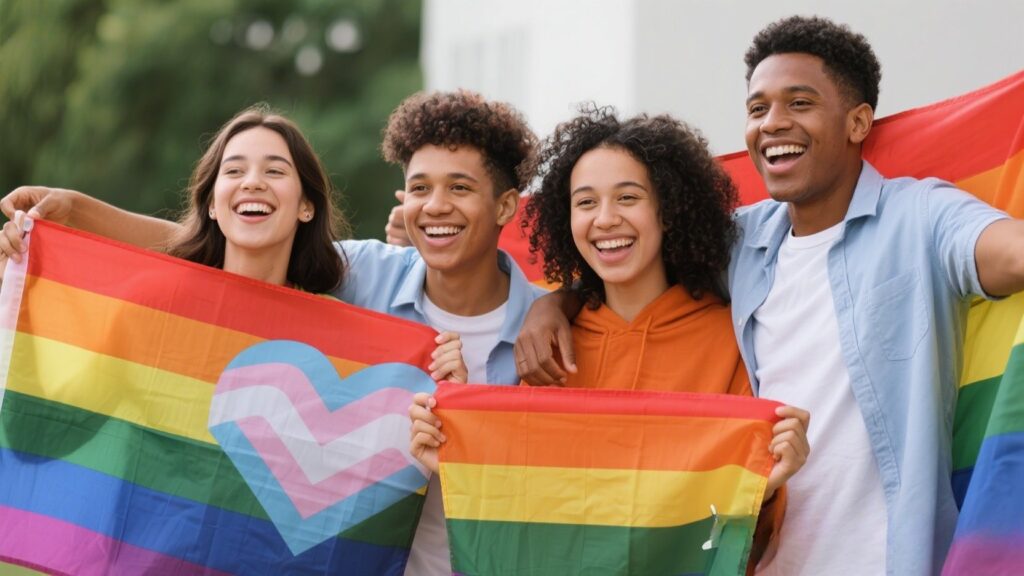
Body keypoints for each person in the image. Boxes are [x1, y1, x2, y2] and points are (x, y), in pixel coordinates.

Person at [512, 16, 1024, 576]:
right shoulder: (738, 241)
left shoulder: (921, 215)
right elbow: (623, 257)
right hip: (764, 558)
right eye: (758, 109)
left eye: (799, 103)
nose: (773, 123)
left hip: (888, 560)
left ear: (857, 122)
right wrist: (552, 305)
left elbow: (1011, 253)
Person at [1, 90, 545, 576]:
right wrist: (66, 225)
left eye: (458, 187)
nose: (435, 204)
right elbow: (223, 249)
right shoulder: (358, 275)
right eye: (420, 187)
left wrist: (540, 323)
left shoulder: (544, 330)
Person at [410, 106, 810, 570]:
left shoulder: (729, 339)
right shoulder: (548, 349)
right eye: (585, 202)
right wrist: (453, 457)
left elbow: (741, 548)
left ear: (667, 210)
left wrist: (766, 488)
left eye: (627, 198)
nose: (604, 219)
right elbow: (525, 522)